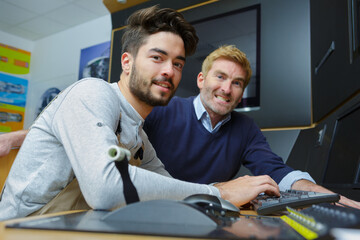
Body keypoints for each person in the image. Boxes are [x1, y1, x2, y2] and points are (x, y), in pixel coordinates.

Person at [0, 6, 280, 221]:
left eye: (178, 63)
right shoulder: (92, 92)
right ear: (127, 62)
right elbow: (105, 186)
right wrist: (220, 192)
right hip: (19, 229)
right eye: (157, 58)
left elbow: (174, 190)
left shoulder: (139, 140)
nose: (169, 71)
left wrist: (230, 193)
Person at [143, 45, 360, 208]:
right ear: (201, 79)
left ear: (241, 95)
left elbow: (276, 171)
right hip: (155, 208)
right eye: (220, 77)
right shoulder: (161, 108)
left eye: (237, 83)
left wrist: (322, 195)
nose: (227, 89)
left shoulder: (245, 127)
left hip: (212, 216)